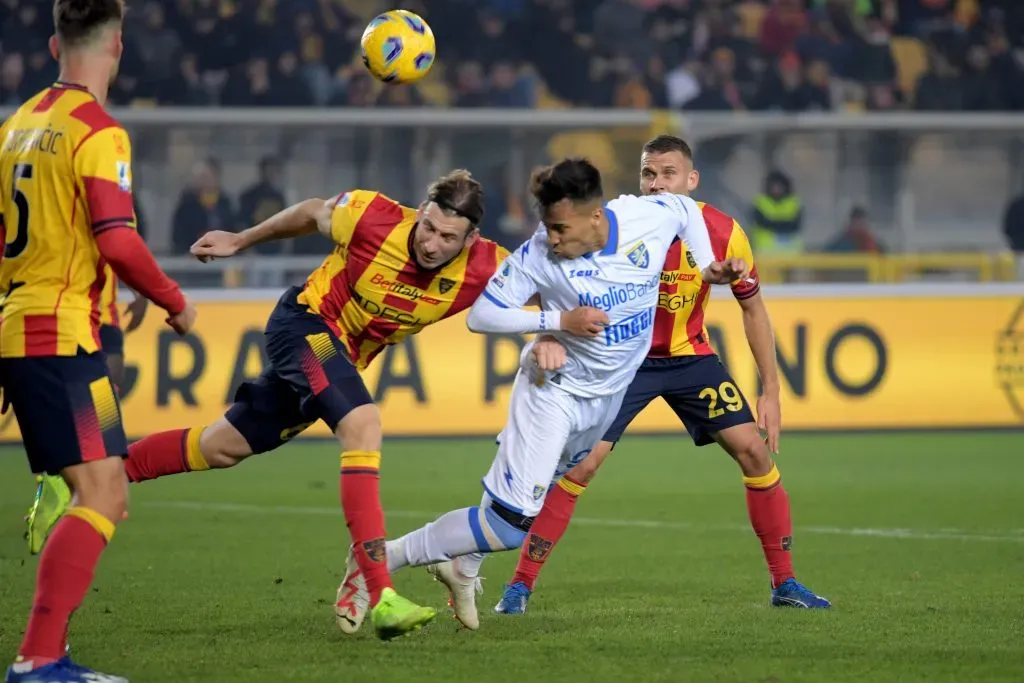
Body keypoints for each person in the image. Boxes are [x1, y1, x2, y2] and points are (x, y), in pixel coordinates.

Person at [34, 170, 509, 641]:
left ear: (470, 241)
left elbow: (548, 280)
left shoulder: (488, 267)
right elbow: (309, 212)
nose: (430, 244)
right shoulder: (373, 216)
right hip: (304, 325)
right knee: (363, 423)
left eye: (447, 237)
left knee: (220, 447)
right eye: (427, 227)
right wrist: (241, 240)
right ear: (420, 213)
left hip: (341, 358)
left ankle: (80, 475)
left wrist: (556, 329)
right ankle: (379, 586)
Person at [335, 157, 748, 632]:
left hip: (608, 395)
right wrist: (555, 325)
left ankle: (462, 566)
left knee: (529, 496)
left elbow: (683, 208)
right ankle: (380, 561)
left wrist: (706, 265)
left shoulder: (646, 216)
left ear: (596, 217)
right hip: (553, 390)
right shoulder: (538, 255)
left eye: (559, 228)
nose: (552, 238)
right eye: (547, 227)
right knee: (513, 524)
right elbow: (483, 316)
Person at [495, 135, 831, 615]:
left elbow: (752, 308)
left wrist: (772, 390)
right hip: (620, 363)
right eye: (649, 174)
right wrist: (549, 335)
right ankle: (519, 587)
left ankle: (786, 584)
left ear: (692, 180)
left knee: (755, 452)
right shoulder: (611, 224)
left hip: (689, 358)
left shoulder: (722, 232)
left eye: (669, 173)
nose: (657, 184)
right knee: (582, 466)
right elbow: (555, 279)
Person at [0, 1, 197, 681]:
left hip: (42, 326)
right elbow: (117, 237)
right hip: (61, 336)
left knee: (107, 485)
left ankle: (44, 655)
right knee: (101, 493)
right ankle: (39, 658)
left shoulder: (18, 124)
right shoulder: (98, 131)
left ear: (57, 42)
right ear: (117, 45)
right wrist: (173, 300)